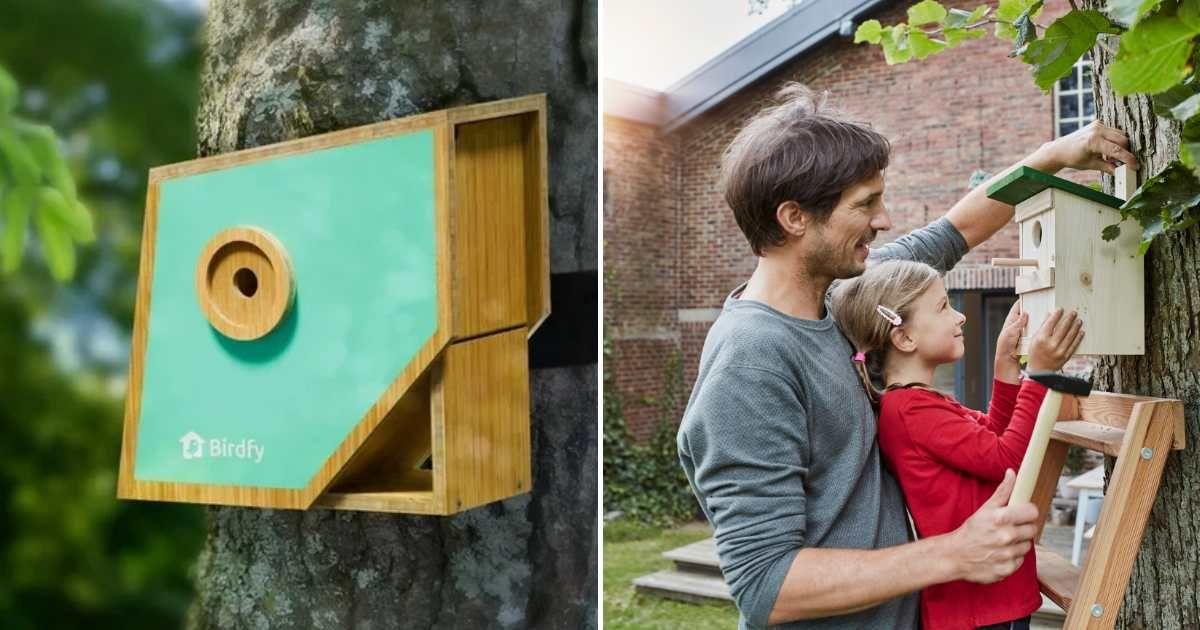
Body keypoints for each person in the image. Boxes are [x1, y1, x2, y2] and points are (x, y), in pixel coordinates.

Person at [675, 83, 1136, 629]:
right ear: (795, 218)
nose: (884, 220)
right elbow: (765, 586)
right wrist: (955, 553)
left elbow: (956, 230)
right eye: (865, 204)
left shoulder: (848, 295)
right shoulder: (751, 363)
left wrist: (1057, 156)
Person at [830, 260, 1084, 630]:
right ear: (904, 338)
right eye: (943, 306)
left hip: (988, 601)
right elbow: (1007, 459)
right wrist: (1040, 375)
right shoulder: (910, 410)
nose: (960, 317)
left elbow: (994, 440)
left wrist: (1005, 368)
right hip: (979, 608)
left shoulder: (922, 403)